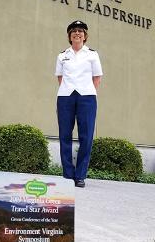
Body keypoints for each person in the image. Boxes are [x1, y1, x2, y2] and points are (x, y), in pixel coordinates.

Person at [55, 20, 103, 188]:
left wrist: (87, 90)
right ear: (69, 36)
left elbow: (97, 78)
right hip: (66, 97)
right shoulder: (62, 55)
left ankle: (80, 175)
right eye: (74, 31)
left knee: (87, 137)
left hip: (87, 97)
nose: (77, 33)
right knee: (64, 136)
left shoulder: (92, 54)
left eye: (80, 31)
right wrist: (69, 90)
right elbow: (60, 77)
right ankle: (68, 175)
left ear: (85, 35)